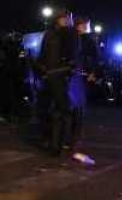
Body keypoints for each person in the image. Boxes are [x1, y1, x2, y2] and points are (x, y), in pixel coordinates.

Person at [37, 9, 79, 156]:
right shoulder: (51, 34)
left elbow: (73, 55)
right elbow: (42, 54)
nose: (66, 20)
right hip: (51, 75)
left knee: (61, 111)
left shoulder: (70, 34)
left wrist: (68, 70)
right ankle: (53, 141)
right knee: (52, 110)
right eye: (63, 18)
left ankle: (57, 144)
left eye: (67, 18)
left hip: (61, 75)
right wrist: (42, 71)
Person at [69, 17, 102, 151]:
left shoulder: (73, 40)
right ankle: (75, 137)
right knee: (79, 106)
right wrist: (94, 73)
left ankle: (73, 136)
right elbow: (96, 58)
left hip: (75, 75)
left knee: (75, 106)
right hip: (83, 75)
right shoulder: (88, 40)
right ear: (82, 26)